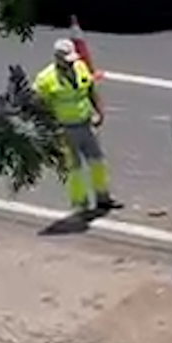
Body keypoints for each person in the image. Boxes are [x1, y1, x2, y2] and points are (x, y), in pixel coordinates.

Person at [32, 38, 120, 213]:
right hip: (64, 129)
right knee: (75, 168)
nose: (72, 63)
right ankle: (81, 203)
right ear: (57, 59)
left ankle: (103, 197)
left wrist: (99, 111)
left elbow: (90, 89)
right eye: (67, 61)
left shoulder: (80, 66)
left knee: (97, 161)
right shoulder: (45, 79)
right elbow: (37, 106)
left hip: (86, 124)